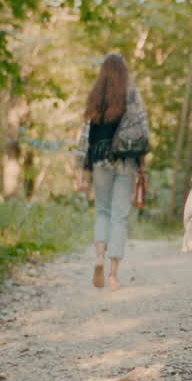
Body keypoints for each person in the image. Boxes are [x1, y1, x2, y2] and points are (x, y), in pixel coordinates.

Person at [76, 53, 149, 290]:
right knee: (119, 216)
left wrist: (80, 170)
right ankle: (113, 276)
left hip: (99, 160)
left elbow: (85, 136)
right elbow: (143, 132)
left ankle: (99, 257)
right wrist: (142, 167)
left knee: (102, 211)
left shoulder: (95, 95)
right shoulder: (132, 95)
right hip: (126, 161)